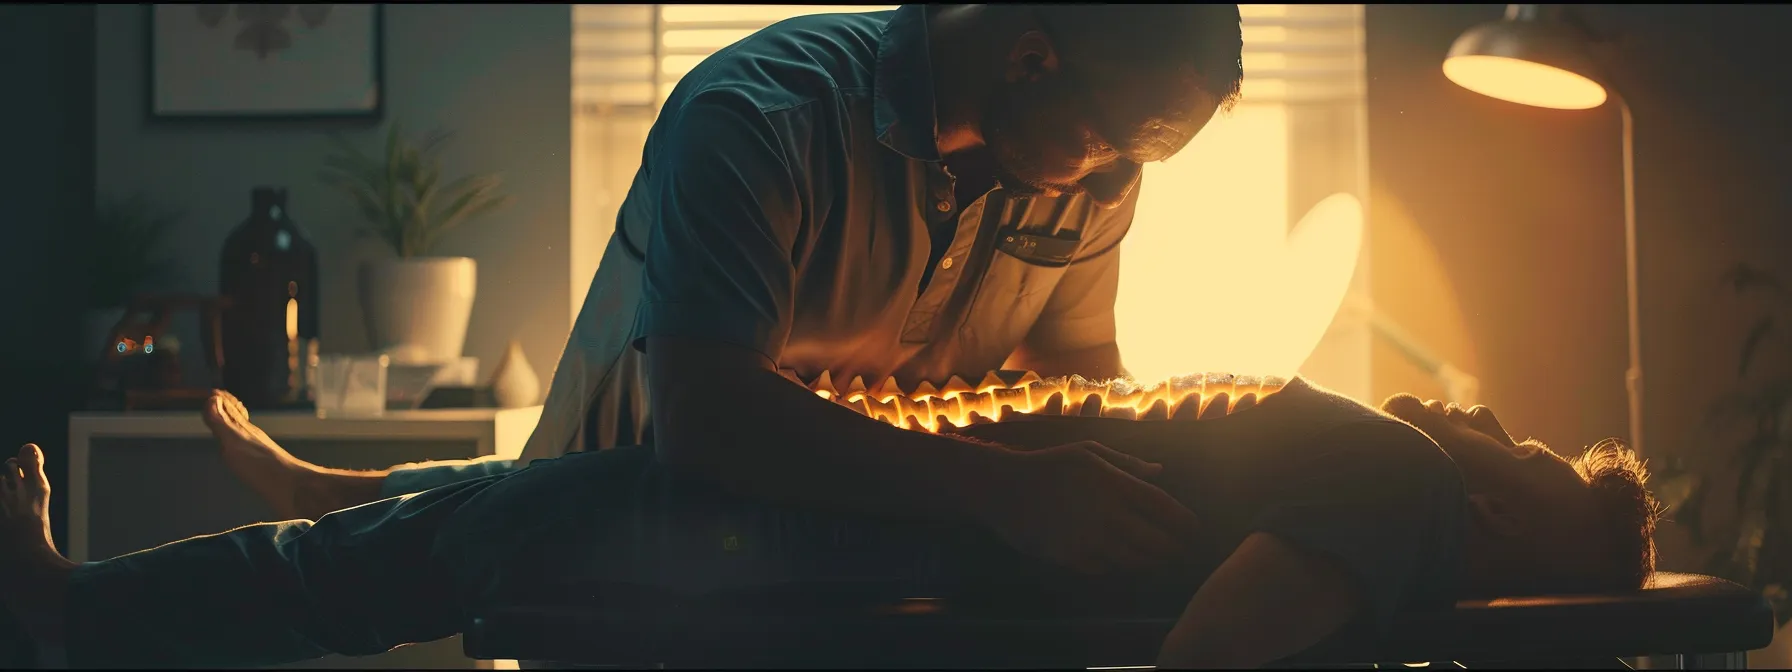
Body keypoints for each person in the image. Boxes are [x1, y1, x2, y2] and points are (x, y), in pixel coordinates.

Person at [216, 3, 1245, 582]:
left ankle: (336, 496)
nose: (1118, 185)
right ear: (1029, 59)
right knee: (397, 565)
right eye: (1113, 144)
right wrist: (1003, 488)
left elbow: (1075, 378)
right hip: (651, 495)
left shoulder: (1080, 178)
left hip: (872, 515)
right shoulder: (761, 115)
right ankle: (80, 602)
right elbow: (709, 427)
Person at [0, 380, 1660, 669]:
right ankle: (341, 498)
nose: (1488, 422)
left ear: (1521, 521)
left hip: (895, 540)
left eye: (1524, 449)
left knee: (478, 547)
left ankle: (77, 618)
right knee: (526, 508)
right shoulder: (1395, 488)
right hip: (914, 495)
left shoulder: (1400, 495)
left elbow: (1216, 643)